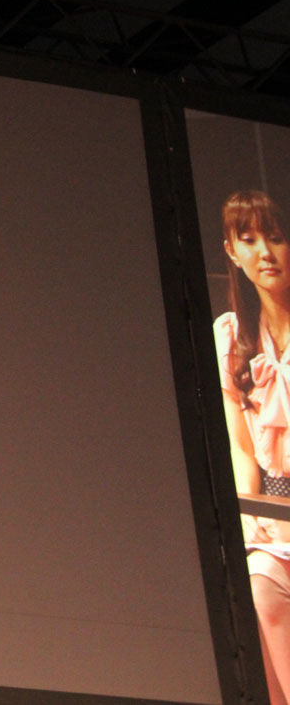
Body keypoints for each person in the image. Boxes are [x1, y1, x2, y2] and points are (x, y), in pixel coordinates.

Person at [215, 189, 290, 705]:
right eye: (249, 240)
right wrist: (246, 530)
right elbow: (242, 453)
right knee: (257, 583)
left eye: (276, 237)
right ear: (232, 252)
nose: (265, 252)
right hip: (272, 522)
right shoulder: (231, 337)